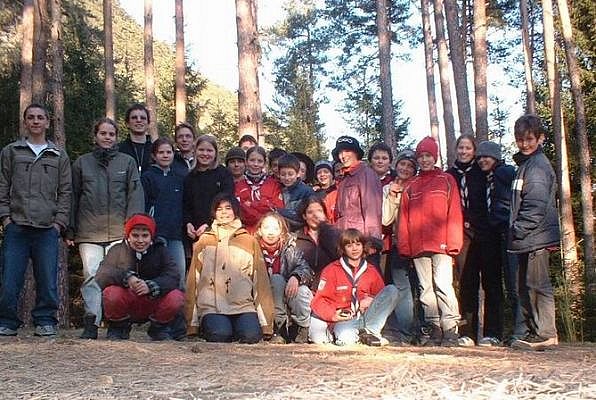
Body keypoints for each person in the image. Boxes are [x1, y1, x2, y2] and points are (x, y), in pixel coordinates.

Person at [68, 118, 145, 339]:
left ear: (116, 137)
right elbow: (73, 196)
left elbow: (135, 195)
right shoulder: (82, 163)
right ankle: (91, 321)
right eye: (103, 133)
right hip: (89, 231)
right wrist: (70, 229)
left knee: (120, 276)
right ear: (95, 136)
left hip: (119, 232)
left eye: (111, 134)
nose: (107, 137)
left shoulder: (127, 162)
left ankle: (117, 322)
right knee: (91, 276)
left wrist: (133, 228)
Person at [0, 103, 72, 337]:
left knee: (47, 280)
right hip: (17, 226)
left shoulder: (58, 155)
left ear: (48, 122)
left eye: (40, 117)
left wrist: (59, 223)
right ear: (25, 122)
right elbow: (2, 186)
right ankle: (7, 322)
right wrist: (5, 218)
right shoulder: (11, 151)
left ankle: (45, 321)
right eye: (31, 117)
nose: (35, 121)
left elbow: (66, 191)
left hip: (46, 228)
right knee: (10, 280)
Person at [398, 137, 464, 347]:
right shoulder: (411, 185)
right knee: (425, 288)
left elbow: (454, 213)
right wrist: (405, 247)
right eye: (421, 156)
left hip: (441, 244)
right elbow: (403, 218)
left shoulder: (446, 180)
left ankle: (450, 328)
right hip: (418, 246)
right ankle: (434, 326)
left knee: (443, 284)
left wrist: (453, 244)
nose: (424, 160)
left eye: (428, 156)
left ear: (434, 157)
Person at [185, 193, 274, 343]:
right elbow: (194, 280)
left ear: (235, 211)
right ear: (214, 213)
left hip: (242, 305)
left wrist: (266, 325)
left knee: (251, 336)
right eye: (219, 209)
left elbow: (260, 282)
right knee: (219, 335)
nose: (224, 212)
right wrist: (192, 324)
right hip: (212, 307)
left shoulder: (249, 241)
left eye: (228, 208)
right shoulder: (204, 241)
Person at [508, 115, 560, 351]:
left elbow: (535, 205)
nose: (524, 144)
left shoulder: (537, 166)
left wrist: (518, 229)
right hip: (528, 238)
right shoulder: (525, 165)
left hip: (535, 237)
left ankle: (546, 333)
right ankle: (534, 332)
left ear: (540, 138)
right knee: (526, 286)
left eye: (529, 139)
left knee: (537, 285)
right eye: (520, 139)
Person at [95, 214, 184, 341]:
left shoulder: (161, 250)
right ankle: (118, 327)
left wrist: (152, 285)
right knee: (111, 293)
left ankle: (159, 328)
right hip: (127, 299)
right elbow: (102, 274)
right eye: (135, 235)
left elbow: (173, 276)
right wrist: (127, 278)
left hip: (153, 299)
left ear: (151, 236)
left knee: (176, 297)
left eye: (145, 236)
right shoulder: (117, 250)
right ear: (128, 236)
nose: (140, 240)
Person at [309, 229, 399, 346]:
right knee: (346, 340)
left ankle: (370, 332)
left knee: (392, 290)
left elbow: (381, 299)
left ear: (363, 246)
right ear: (343, 248)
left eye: (358, 244)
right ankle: (360, 336)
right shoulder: (331, 270)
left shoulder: (371, 271)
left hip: (367, 317)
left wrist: (372, 299)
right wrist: (333, 315)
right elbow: (319, 300)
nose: (354, 249)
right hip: (345, 320)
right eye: (349, 245)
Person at [472, 140, 516, 346]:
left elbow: (515, 197)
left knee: (513, 283)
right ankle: (495, 333)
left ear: (496, 157)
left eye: (486, 157)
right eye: (480, 157)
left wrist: (508, 220)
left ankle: (519, 330)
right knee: (493, 283)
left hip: (507, 233)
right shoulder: (486, 177)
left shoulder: (505, 172)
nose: (482, 160)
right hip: (492, 235)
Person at [447, 134, 490, 344]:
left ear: (474, 151)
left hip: (485, 232)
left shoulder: (482, 173)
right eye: (461, 148)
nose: (464, 152)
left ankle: (492, 333)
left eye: (468, 148)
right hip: (461, 235)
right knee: (466, 282)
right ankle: (467, 333)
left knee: (490, 282)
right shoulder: (449, 175)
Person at [255, 212, 313, 344]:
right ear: (259, 230)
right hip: (261, 294)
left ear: (281, 232)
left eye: (275, 228)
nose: (271, 232)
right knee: (276, 280)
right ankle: (278, 327)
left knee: (299, 290)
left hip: (286, 293)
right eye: (266, 227)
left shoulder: (290, 248)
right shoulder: (254, 247)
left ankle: (300, 327)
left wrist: (296, 276)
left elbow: (305, 268)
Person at [381, 149, 419, 344]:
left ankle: (424, 330)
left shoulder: (419, 185)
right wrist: (393, 197)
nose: (405, 168)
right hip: (399, 244)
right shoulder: (388, 188)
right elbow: (385, 219)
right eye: (402, 164)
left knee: (422, 288)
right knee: (402, 288)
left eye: (410, 166)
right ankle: (406, 332)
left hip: (419, 244)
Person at [142, 137, 187, 289]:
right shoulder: (147, 177)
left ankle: (180, 303)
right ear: (154, 156)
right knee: (157, 274)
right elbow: (144, 206)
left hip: (175, 234)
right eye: (161, 152)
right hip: (156, 234)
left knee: (179, 273)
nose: (165, 155)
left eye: (169, 152)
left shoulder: (179, 178)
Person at [183, 135, 234, 241]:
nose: (205, 154)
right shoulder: (190, 177)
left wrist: (209, 224)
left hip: (219, 230)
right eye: (201, 150)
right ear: (195, 151)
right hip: (194, 232)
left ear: (215, 153)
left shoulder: (224, 174)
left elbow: (227, 203)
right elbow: (186, 205)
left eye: (209, 150)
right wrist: (188, 223)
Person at [332, 136, 382, 240]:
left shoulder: (366, 174)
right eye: (340, 153)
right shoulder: (344, 179)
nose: (343, 156)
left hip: (360, 240)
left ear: (356, 153)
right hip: (345, 239)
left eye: (347, 151)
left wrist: (372, 242)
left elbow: (372, 213)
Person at [295, 196, 341, 291]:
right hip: (307, 287)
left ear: (325, 214)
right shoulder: (297, 238)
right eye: (310, 212)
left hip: (333, 285)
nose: (315, 216)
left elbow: (338, 256)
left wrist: (324, 229)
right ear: (304, 216)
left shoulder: (334, 234)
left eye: (319, 211)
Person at [235, 146, 284, 233]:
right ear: (246, 161)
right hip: (246, 231)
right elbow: (240, 211)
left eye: (260, 161)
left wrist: (251, 204)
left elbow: (277, 208)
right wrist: (265, 204)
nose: (256, 164)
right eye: (252, 160)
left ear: (264, 163)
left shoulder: (274, 184)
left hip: (269, 231)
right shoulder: (238, 185)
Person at [276, 153, 314, 230]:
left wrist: (278, 211)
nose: (287, 178)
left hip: (299, 231)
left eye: (290, 174)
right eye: (283, 174)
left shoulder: (306, 191)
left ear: (298, 174)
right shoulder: (277, 189)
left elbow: (303, 217)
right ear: (279, 174)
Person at [118, 103, 155, 173]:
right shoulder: (118, 150)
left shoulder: (156, 150)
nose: (139, 120)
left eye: (143, 118)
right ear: (127, 123)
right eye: (134, 117)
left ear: (148, 124)